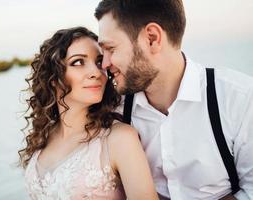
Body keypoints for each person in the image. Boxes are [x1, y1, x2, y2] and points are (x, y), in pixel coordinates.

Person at [94, 0, 253, 199]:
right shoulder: (114, 108)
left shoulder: (240, 99)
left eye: (110, 48)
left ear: (152, 38)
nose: (105, 64)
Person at [18, 27, 158, 200]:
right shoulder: (42, 137)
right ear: (53, 79)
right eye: (78, 62)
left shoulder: (120, 139)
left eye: (99, 62)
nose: (96, 73)